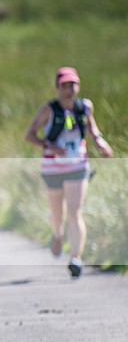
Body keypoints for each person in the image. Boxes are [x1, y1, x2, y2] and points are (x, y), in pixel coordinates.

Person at [24, 66, 114, 278]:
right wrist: (49, 146)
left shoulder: (84, 107)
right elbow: (29, 135)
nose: (69, 89)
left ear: (78, 86)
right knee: (57, 214)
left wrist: (100, 142)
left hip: (77, 165)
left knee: (74, 211)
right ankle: (56, 235)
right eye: (64, 85)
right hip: (53, 168)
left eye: (72, 84)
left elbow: (92, 129)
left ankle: (76, 258)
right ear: (57, 87)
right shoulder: (49, 110)